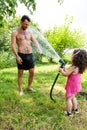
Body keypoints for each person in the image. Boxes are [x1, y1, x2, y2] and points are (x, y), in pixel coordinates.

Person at [11, 15, 42, 96]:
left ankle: (29, 87)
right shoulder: (15, 32)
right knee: (20, 73)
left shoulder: (30, 32)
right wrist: (17, 56)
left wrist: (38, 48)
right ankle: (21, 90)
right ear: (21, 22)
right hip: (21, 55)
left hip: (30, 54)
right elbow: (13, 45)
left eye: (28, 24)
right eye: (25, 24)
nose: (26, 26)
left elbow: (35, 41)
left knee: (32, 72)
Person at [59, 49, 87, 116]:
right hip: (76, 85)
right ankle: (76, 109)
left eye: (73, 55)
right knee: (73, 97)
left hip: (71, 85)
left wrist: (61, 70)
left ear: (76, 57)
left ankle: (69, 113)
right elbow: (69, 72)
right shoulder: (79, 67)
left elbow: (66, 74)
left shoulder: (74, 67)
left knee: (68, 99)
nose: (72, 56)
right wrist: (64, 69)